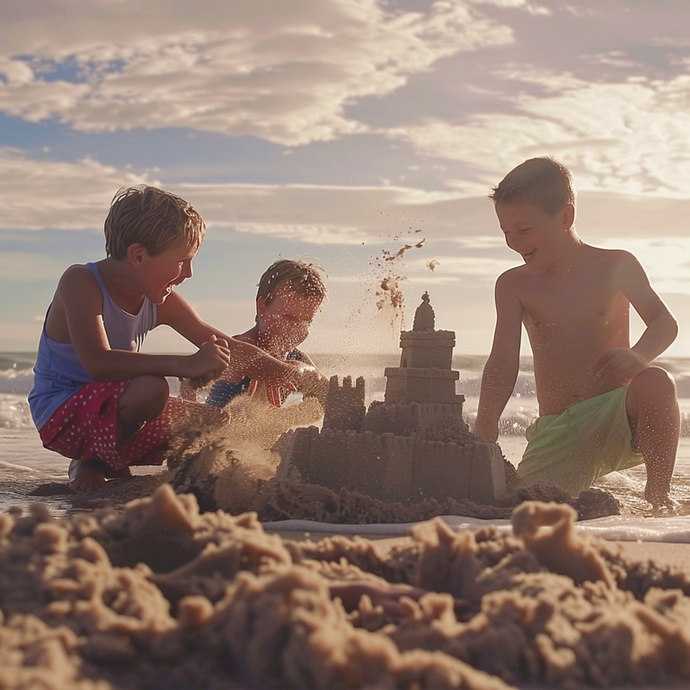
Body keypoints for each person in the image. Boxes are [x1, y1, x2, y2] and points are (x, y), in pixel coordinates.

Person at [28, 185, 301, 493]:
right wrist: (187, 365)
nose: (189, 273)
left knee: (216, 424)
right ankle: (92, 461)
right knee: (151, 387)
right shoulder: (80, 281)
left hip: (112, 412)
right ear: (138, 255)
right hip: (62, 415)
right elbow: (98, 363)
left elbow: (235, 351)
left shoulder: (162, 301)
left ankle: (180, 477)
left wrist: (299, 376)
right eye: (182, 260)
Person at [474, 157, 679, 510]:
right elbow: (503, 360)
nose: (513, 242)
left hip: (616, 412)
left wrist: (640, 355)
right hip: (560, 430)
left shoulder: (616, 265)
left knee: (657, 383)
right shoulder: (513, 285)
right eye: (505, 232)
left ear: (565, 217)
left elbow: (664, 322)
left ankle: (657, 496)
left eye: (524, 230)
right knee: (525, 506)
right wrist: (485, 425)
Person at [201, 258, 329, 409]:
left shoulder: (295, 357)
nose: (297, 329)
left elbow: (328, 394)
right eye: (289, 318)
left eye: (306, 321)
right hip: (214, 429)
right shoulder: (241, 350)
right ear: (262, 308)